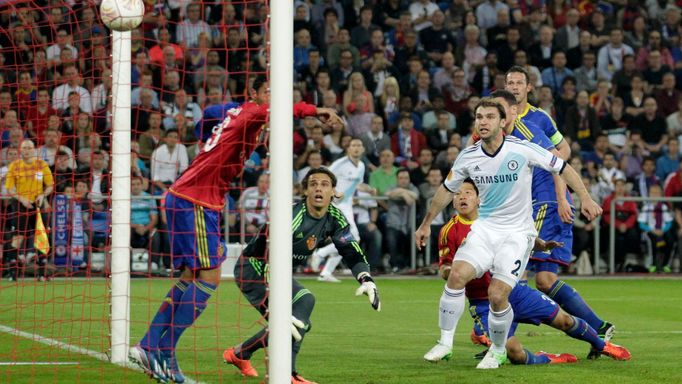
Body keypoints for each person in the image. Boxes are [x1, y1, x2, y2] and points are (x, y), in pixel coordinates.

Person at [128, 75, 343, 383]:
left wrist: (208, 138)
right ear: (253, 93)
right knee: (210, 278)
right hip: (196, 200)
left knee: (191, 277)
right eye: (268, 91)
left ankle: (157, 351)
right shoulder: (254, 112)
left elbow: (212, 113)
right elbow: (284, 110)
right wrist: (315, 110)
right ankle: (156, 348)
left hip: (195, 198)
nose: (273, 97)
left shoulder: (235, 112)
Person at [415, 98, 602, 369]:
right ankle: (445, 343)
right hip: (485, 230)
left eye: (490, 116)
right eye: (479, 116)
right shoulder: (469, 155)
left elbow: (562, 166)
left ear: (503, 122)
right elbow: (446, 189)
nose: (483, 121)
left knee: (497, 294)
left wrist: (584, 197)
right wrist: (425, 224)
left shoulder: (523, 149)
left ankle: (499, 350)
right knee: (456, 275)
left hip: (516, 235)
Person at [423, 179, 631, 364]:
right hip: (484, 302)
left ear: (479, 199)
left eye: (468, 192)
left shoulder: (496, 220)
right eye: (457, 194)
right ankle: (548, 358)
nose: (462, 197)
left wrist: (538, 244)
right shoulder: (449, 231)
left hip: (515, 293)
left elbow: (517, 236)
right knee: (514, 353)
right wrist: (456, 271)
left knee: (565, 320)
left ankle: (602, 345)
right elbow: (444, 268)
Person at [223, 167, 380, 384]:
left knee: (301, 314)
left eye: (324, 184)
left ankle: (240, 354)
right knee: (294, 318)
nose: (318, 188)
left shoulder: (334, 217)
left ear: (333, 192)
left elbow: (351, 251)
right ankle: (287, 376)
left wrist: (366, 278)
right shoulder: (290, 217)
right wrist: (276, 298)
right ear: (305, 191)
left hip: (277, 271)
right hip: (255, 268)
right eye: (313, 184)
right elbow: (269, 255)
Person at [311, 138, 376, 282]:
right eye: (354, 145)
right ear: (348, 149)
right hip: (334, 204)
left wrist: (369, 190)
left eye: (359, 145)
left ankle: (326, 272)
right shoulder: (340, 164)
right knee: (352, 238)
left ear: (363, 149)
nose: (357, 148)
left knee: (346, 240)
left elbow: (357, 184)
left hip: (346, 206)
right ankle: (320, 253)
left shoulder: (361, 166)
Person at [4, 139, 54, 282]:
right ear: (21, 150)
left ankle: (42, 273)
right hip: (21, 204)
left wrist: (43, 194)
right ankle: (13, 273)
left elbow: (50, 185)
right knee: (18, 238)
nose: (27, 150)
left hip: (38, 204)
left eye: (29, 148)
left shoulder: (41, 164)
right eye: (24, 148)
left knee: (41, 237)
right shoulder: (14, 166)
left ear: (34, 150)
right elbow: (10, 188)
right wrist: (21, 199)